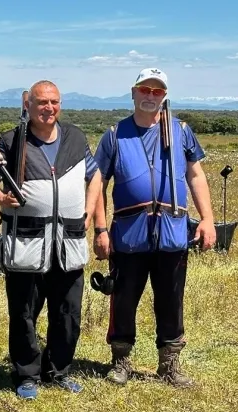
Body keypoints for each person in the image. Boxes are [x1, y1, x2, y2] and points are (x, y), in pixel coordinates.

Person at [93, 68, 216, 387]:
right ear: (133, 92)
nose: (150, 95)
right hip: (128, 234)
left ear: (165, 96)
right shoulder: (114, 135)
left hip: (172, 232)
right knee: (123, 298)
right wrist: (100, 230)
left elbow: (196, 175)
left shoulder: (181, 131)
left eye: (157, 91)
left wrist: (207, 219)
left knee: (171, 300)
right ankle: (121, 360)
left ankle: (169, 363)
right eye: (145, 89)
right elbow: (98, 183)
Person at [0, 80, 101, 400]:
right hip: (27, 244)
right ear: (28, 105)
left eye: (54, 102)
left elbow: (95, 176)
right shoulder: (11, 141)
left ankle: (58, 371)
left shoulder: (75, 138)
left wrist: (90, 212)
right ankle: (26, 374)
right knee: (24, 313)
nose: (49, 108)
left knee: (68, 313)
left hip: (68, 243)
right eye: (42, 102)